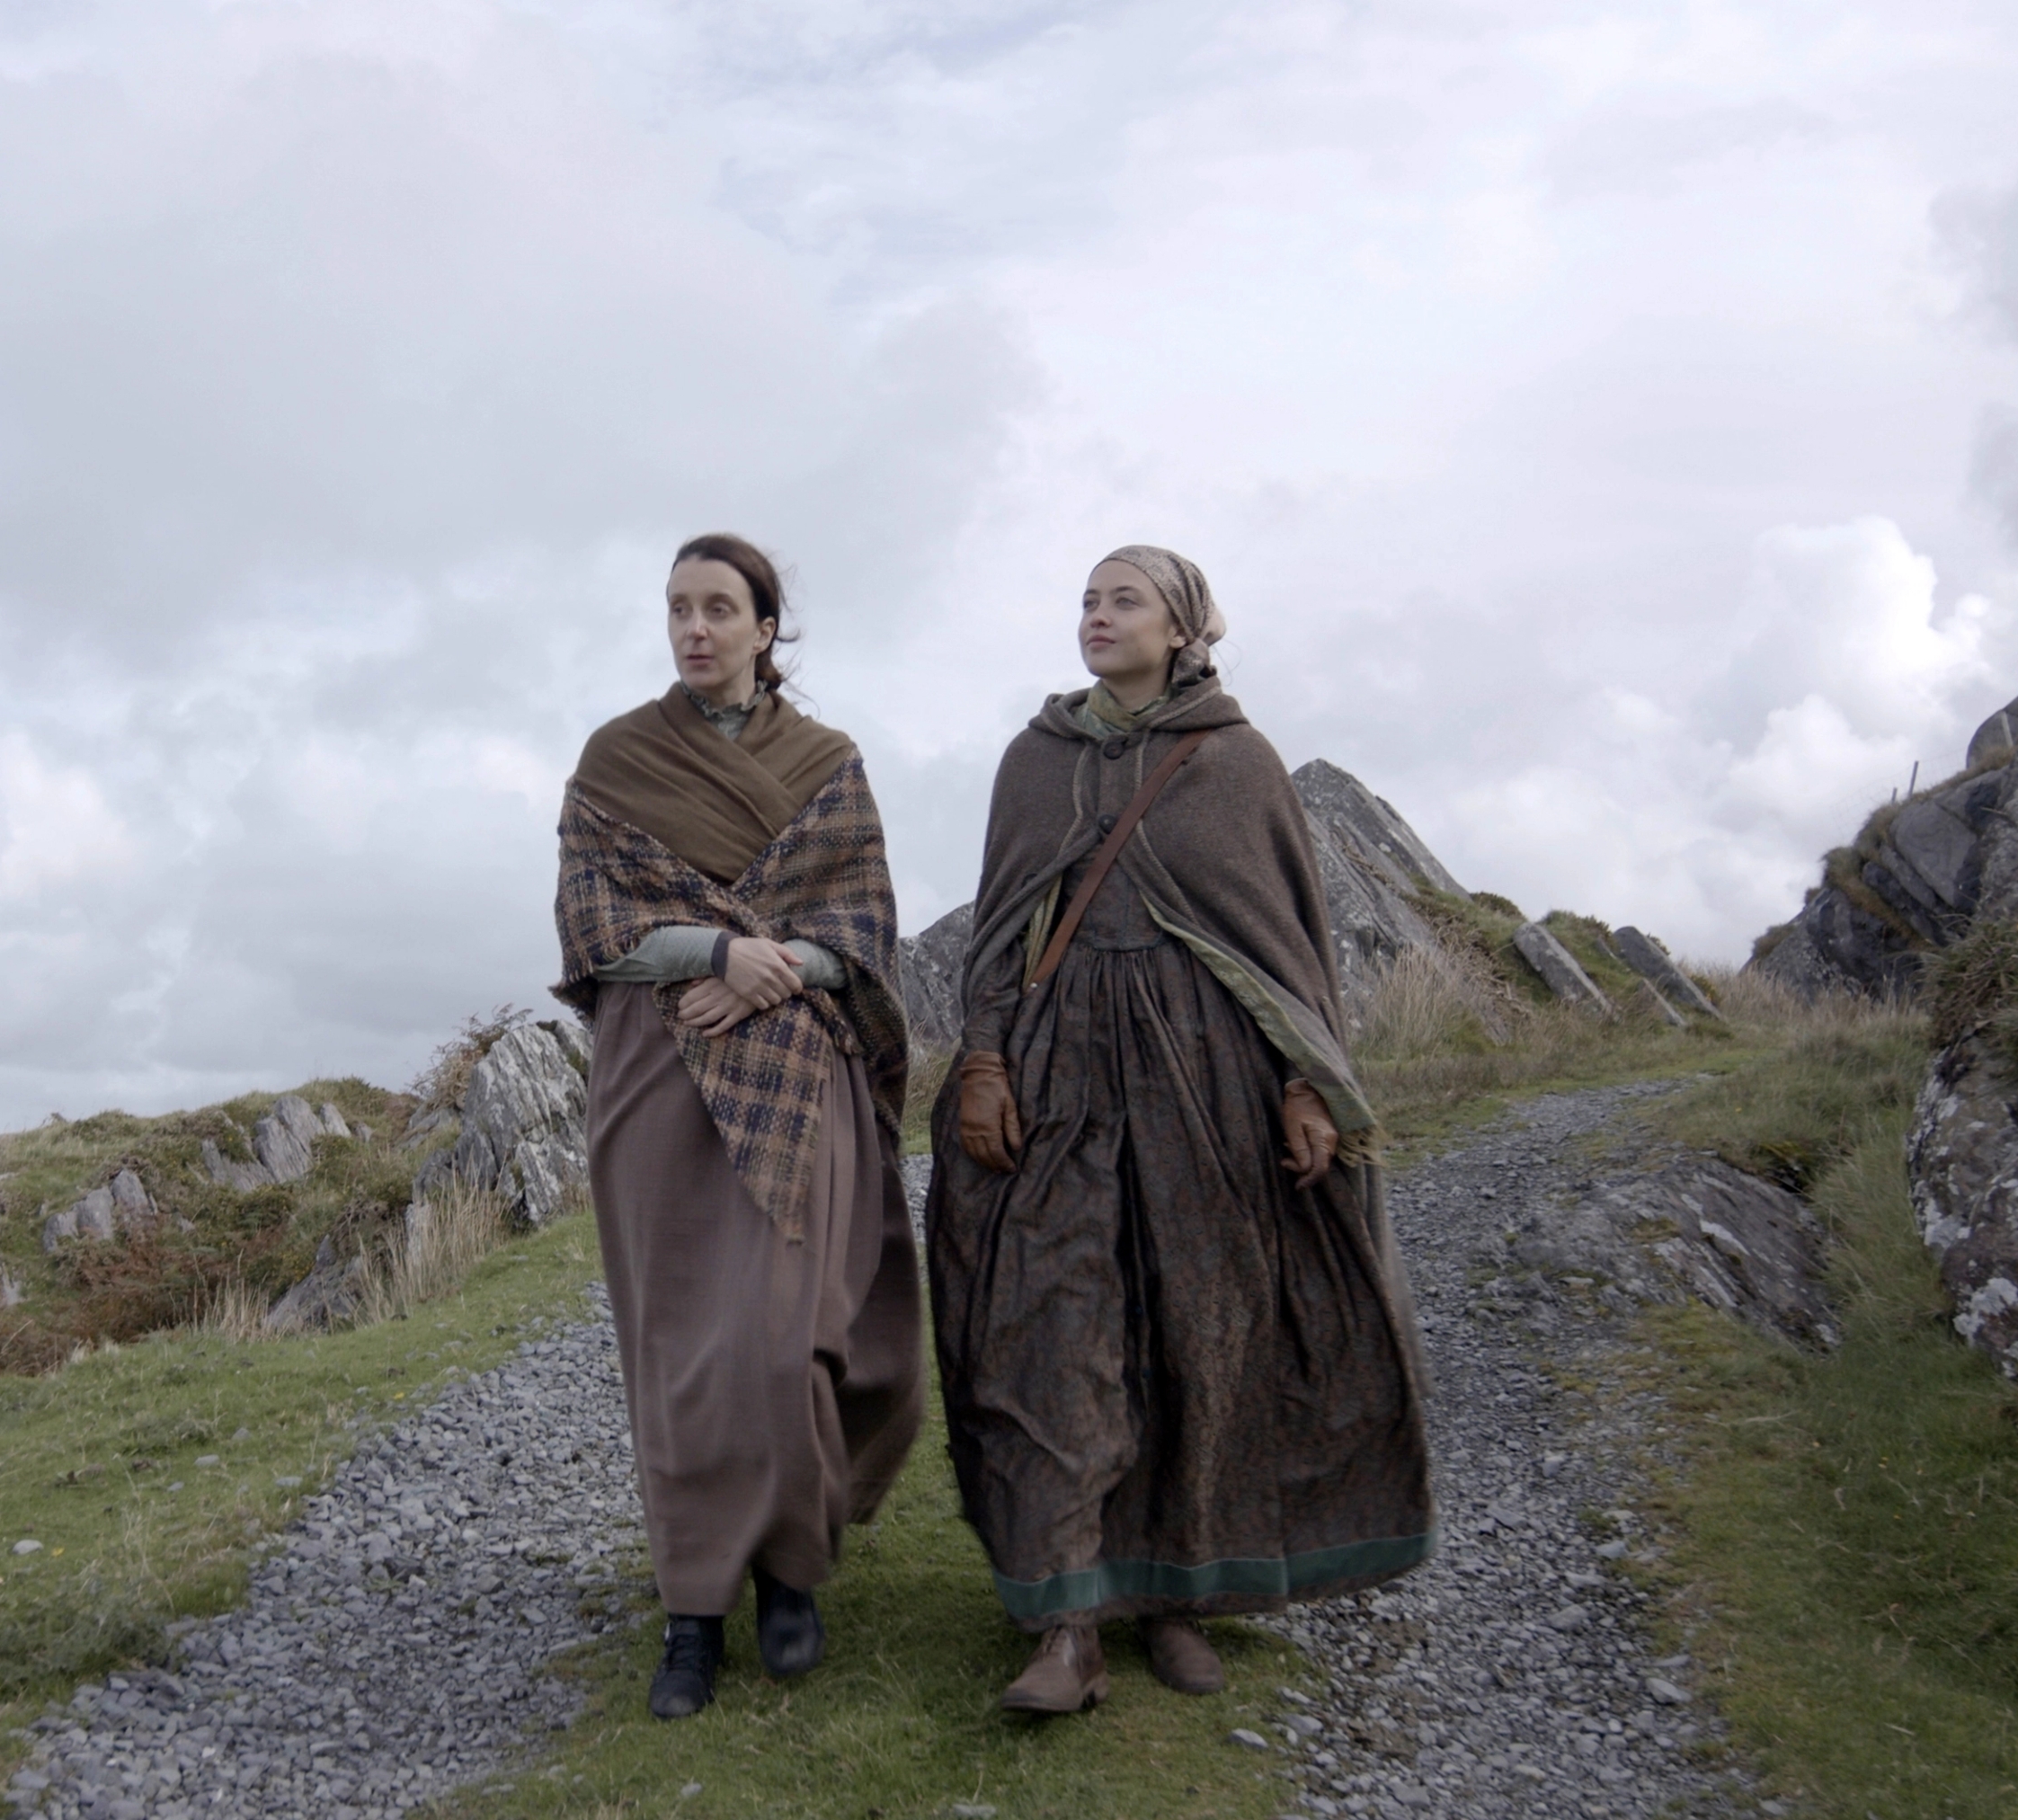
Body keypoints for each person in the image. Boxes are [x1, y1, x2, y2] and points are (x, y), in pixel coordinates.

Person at [924, 545, 1434, 1714]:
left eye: (1124, 599)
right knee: (1051, 1331)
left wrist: (1307, 1084)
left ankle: (1182, 1595)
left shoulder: (1238, 762)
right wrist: (988, 1059)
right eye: (1088, 600)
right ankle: (1068, 1622)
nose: (1097, 616)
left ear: (1185, 625)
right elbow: (1000, 927)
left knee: (1203, 1333)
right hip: (1057, 1080)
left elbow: (1286, 946)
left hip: (1207, 1079)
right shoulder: (1035, 760)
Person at [552, 533, 927, 1720]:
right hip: (657, 1072)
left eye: (720, 608)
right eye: (678, 609)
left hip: (794, 1066)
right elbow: (592, 918)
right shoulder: (617, 760)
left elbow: (861, 925)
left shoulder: (828, 763)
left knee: (782, 1338)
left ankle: (792, 1568)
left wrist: (768, 969)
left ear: (768, 628)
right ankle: (693, 1610)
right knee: (681, 1355)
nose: (695, 628)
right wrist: (714, 949)